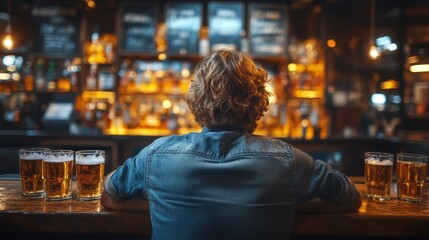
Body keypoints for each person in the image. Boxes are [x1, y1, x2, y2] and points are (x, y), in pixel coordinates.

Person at [100, 49, 362, 240]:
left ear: (195, 100)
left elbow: (109, 196)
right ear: (258, 101)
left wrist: (161, 200)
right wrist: (288, 201)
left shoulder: (157, 156)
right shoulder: (288, 161)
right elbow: (350, 198)